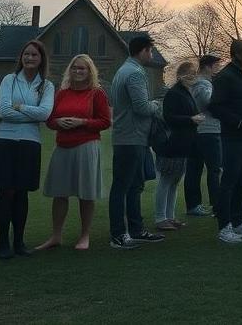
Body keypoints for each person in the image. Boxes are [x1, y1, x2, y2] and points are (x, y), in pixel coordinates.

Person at [0, 40, 55, 258]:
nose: (30, 58)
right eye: (26, 54)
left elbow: (45, 114)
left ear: (41, 59)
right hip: (5, 141)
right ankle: (3, 243)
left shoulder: (47, 86)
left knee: (22, 193)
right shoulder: (9, 80)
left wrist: (20, 107)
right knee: (5, 192)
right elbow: (3, 111)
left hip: (30, 143)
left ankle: (19, 242)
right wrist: (30, 114)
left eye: (34, 55)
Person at [37, 54, 111, 250]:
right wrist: (57, 122)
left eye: (82, 69)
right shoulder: (62, 93)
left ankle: (84, 236)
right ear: (69, 70)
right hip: (62, 146)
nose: (78, 71)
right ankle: (56, 236)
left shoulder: (97, 93)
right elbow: (49, 119)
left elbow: (105, 121)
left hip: (86, 146)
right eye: (75, 68)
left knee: (85, 194)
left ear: (89, 72)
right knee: (59, 193)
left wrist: (83, 122)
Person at [108, 34, 165, 248]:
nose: (151, 54)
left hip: (131, 137)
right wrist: (156, 105)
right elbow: (142, 107)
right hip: (131, 138)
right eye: (150, 51)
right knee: (123, 187)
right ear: (142, 51)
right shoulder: (134, 73)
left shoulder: (125, 70)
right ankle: (118, 235)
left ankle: (136, 229)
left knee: (134, 186)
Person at [209, 39, 242, 244]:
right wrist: (239, 123)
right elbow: (216, 107)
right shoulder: (225, 77)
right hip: (233, 138)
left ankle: (239, 222)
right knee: (229, 181)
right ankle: (225, 227)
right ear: (236, 55)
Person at [155, 61, 205, 230]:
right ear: (181, 75)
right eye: (190, 73)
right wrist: (191, 119)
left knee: (175, 181)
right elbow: (169, 117)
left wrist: (194, 118)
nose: (193, 76)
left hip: (183, 143)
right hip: (172, 144)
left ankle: (170, 217)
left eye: (194, 73)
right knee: (166, 180)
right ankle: (160, 218)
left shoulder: (185, 92)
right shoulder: (174, 93)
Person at [184, 54, 223, 217]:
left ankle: (194, 205)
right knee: (213, 169)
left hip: (197, 130)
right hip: (208, 130)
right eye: (216, 65)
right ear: (208, 66)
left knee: (195, 169)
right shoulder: (203, 83)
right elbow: (209, 102)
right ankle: (215, 205)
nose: (218, 69)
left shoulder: (195, 83)